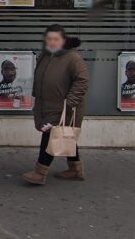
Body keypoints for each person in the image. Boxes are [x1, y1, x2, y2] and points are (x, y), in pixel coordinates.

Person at [22, 24, 89, 185]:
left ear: (63, 40)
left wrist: (70, 102)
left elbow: (82, 80)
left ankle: (39, 172)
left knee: (50, 136)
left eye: (56, 39)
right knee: (65, 135)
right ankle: (75, 169)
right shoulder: (45, 55)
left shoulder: (73, 58)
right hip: (46, 104)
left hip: (64, 106)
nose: (52, 42)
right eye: (49, 38)